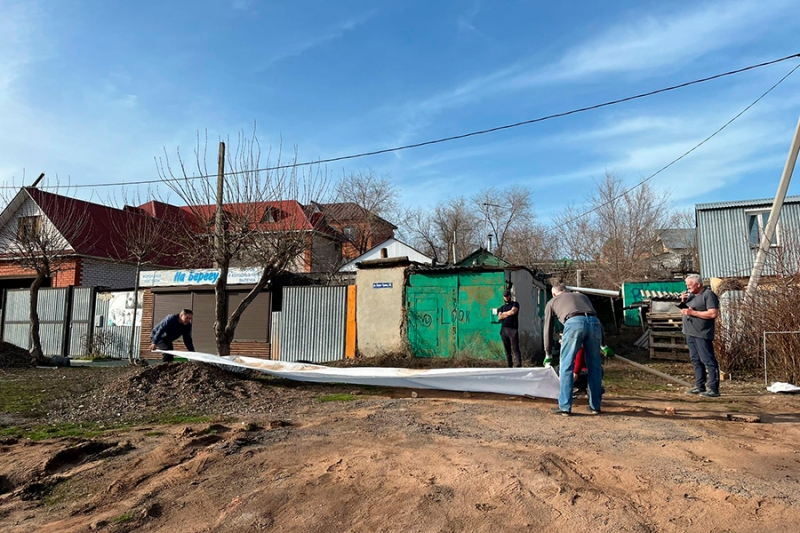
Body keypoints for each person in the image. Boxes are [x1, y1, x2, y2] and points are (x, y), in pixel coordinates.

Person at [544, 283, 603, 416]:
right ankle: (595, 407)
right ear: (566, 291)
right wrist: (604, 345)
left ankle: (565, 407)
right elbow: (596, 318)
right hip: (594, 324)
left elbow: (548, 328)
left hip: (574, 323)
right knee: (595, 367)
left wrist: (548, 353)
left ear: (554, 294)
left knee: (566, 365)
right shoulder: (582, 296)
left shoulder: (552, 302)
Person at [680, 274, 720, 398]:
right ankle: (700, 386)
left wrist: (693, 313)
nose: (688, 288)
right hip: (690, 332)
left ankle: (714, 388)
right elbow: (684, 310)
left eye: (690, 285)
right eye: (687, 286)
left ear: (698, 284)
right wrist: (683, 301)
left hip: (702, 333)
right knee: (696, 360)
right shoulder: (692, 295)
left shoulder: (708, 295)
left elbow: (713, 314)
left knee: (708, 360)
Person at [497, 289, 522, 368]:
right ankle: (509, 365)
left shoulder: (515, 304)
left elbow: (513, 312)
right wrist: (508, 313)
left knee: (515, 348)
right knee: (507, 349)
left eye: (507, 296)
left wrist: (504, 314)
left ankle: (518, 364)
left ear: (510, 296)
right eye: (505, 296)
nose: (506, 298)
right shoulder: (502, 307)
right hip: (504, 329)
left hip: (512, 329)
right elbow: (499, 317)